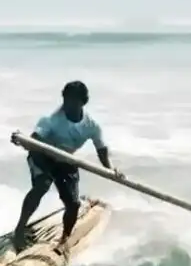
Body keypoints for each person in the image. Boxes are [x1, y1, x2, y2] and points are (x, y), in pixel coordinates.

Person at [10, 80, 124, 253]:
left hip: (65, 160)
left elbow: (101, 149)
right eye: (66, 100)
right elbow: (34, 140)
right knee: (42, 185)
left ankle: (64, 239)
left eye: (73, 102)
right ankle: (19, 230)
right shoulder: (51, 120)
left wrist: (110, 169)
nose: (67, 105)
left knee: (73, 204)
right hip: (42, 156)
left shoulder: (91, 126)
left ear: (83, 102)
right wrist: (22, 140)